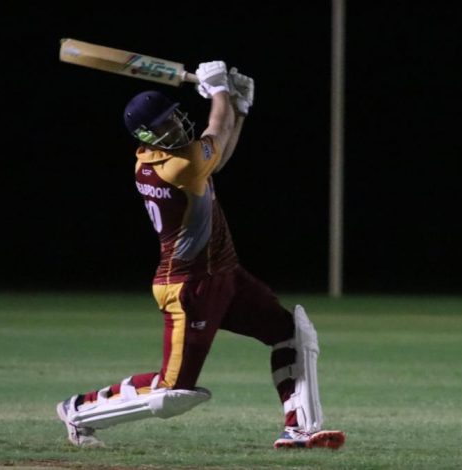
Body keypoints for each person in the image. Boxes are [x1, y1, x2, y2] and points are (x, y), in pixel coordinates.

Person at [55, 61, 345, 450]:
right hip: (188, 288)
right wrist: (221, 92)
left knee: (292, 334)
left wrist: (238, 106)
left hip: (225, 275)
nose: (175, 127)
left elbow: (219, 151)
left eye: (174, 118)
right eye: (164, 126)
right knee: (173, 393)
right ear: (146, 135)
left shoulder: (177, 159)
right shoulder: (178, 165)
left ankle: (300, 429)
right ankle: (78, 410)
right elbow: (217, 132)